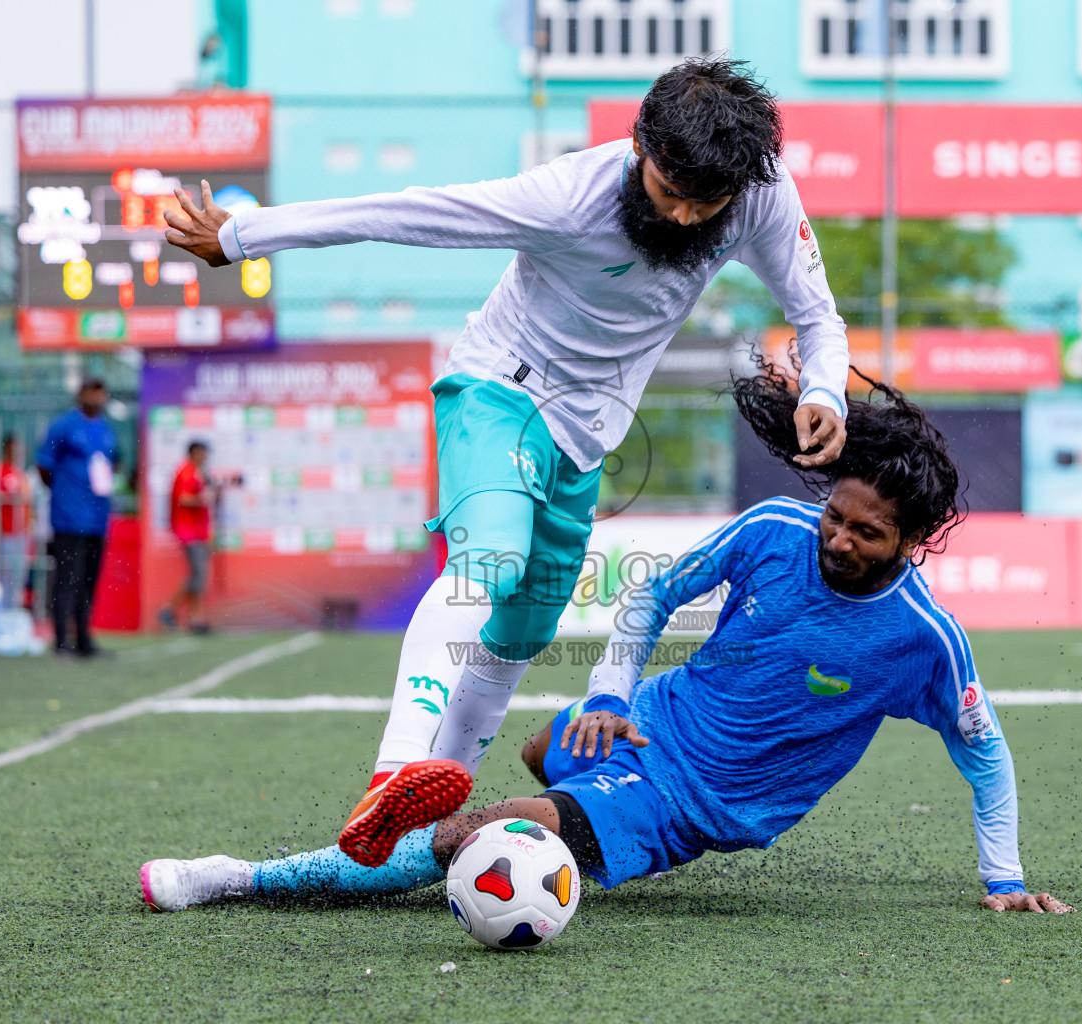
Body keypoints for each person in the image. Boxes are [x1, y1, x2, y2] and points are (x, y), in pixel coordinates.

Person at [164, 57, 854, 867]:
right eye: (672, 192)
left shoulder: (760, 194)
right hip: (499, 390)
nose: (686, 216)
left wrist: (827, 395)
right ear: (640, 147)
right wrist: (242, 237)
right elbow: (402, 212)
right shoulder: (565, 196)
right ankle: (395, 771)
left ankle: (421, 823)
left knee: (523, 632)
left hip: (584, 437)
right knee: (489, 560)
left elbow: (819, 316)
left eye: (709, 204)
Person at [140, 370, 1072, 917]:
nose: (838, 539)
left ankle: (241, 878)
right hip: (649, 721)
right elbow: (649, 595)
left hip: (695, 802)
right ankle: (571, 801)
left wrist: (1005, 878)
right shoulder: (777, 531)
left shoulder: (924, 641)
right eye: (839, 515)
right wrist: (614, 695)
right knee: (552, 747)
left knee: (469, 834)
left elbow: (986, 758)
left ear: (913, 541)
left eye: (866, 535)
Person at [37, 379, 119, 658]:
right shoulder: (63, 425)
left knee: (88, 580)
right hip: (69, 516)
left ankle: (84, 638)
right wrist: (65, 493)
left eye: (101, 393)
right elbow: (44, 465)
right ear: (81, 395)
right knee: (67, 578)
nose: (98, 398)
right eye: (92, 392)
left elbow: (112, 463)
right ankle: (61, 640)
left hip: (98, 516)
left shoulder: (106, 429)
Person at [158, 441, 216, 635]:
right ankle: (172, 610)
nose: (206, 457)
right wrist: (204, 498)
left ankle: (193, 617)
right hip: (188, 531)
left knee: (197, 575)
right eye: (204, 453)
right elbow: (184, 498)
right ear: (195, 453)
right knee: (198, 574)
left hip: (197, 530)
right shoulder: (186, 472)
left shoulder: (198, 472)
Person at [0, 433, 32, 611]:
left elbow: (26, 500)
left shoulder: (20, 473)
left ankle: (13, 611)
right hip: (4, 533)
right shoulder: (0, 470)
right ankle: (2, 610)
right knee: (4, 575)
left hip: (19, 535)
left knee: (17, 578)